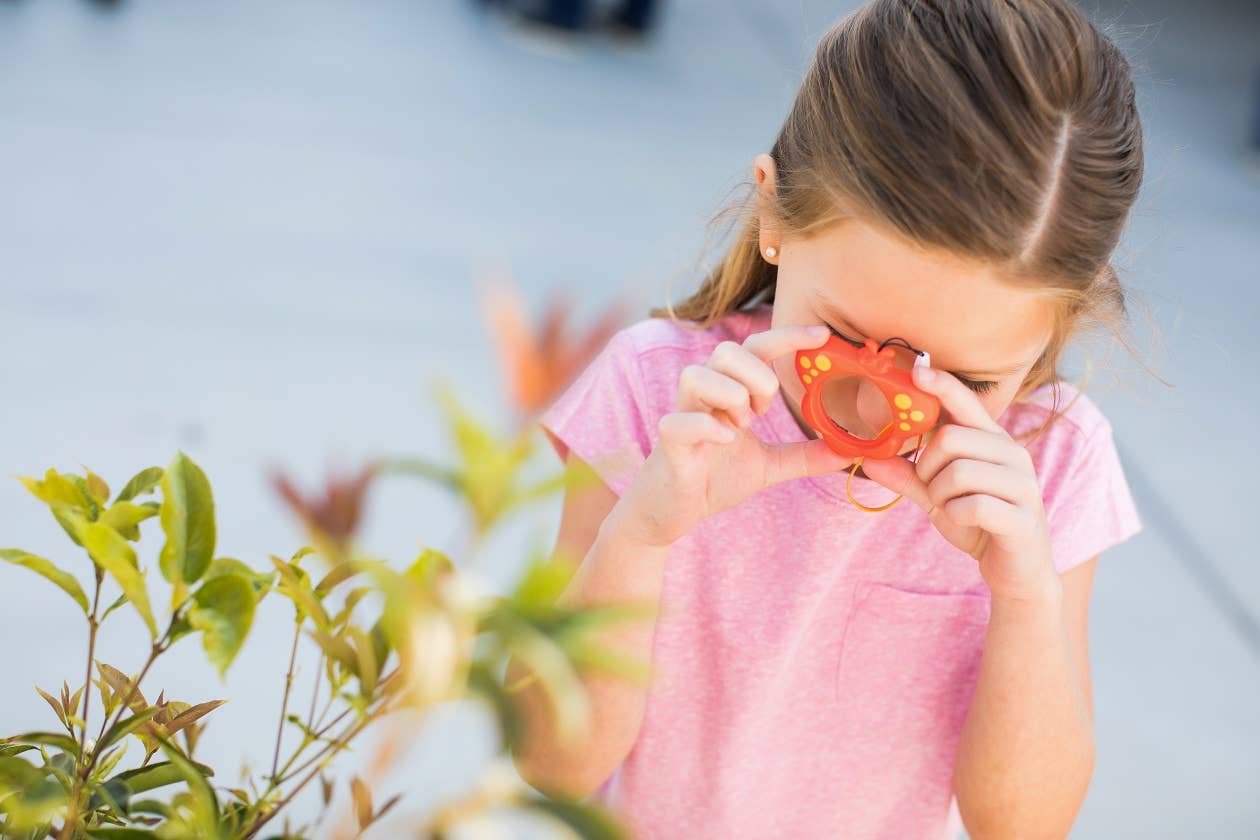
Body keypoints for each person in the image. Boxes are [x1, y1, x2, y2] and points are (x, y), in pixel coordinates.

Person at [506, 1, 1146, 837]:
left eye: (967, 382)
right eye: (846, 341)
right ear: (774, 214)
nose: (881, 411)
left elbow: (1022, 826)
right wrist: (639, 538)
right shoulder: (657, 394)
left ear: (1056, 328)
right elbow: (548, 761)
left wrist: (1022, 593)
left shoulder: (1049, 465)